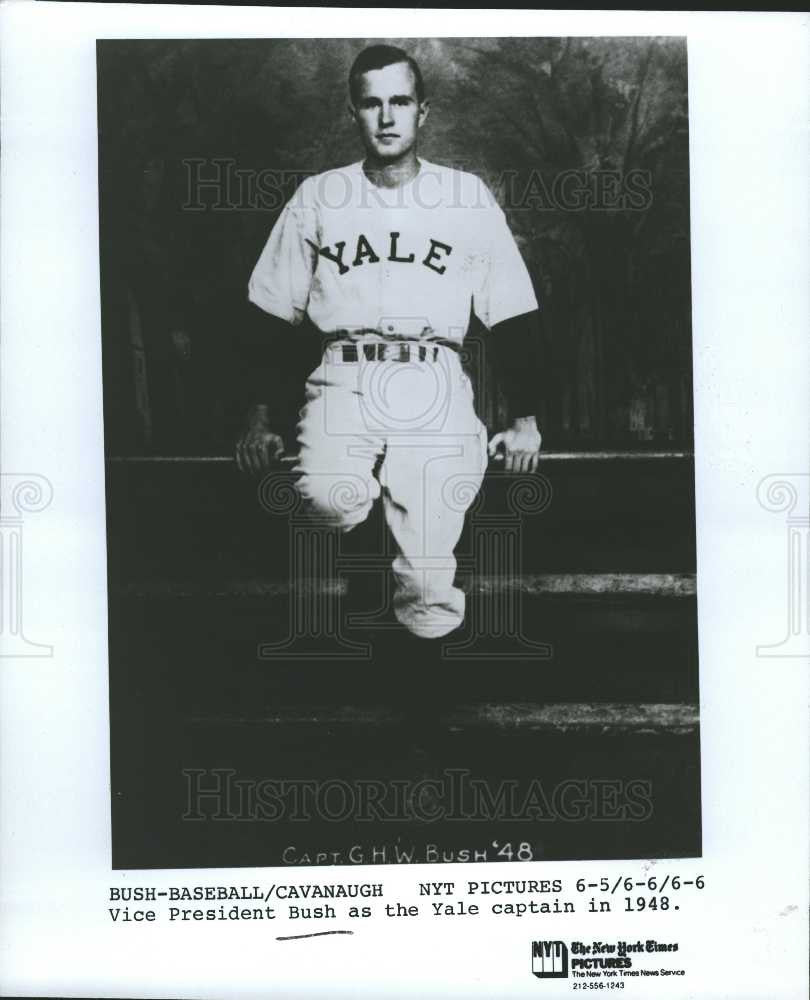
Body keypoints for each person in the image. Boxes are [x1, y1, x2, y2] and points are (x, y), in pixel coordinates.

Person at [237, 44, 542, 639]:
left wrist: (527, 418)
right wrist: (257, 418)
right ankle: (378, 559)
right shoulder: (319, 196)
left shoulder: (464, 196)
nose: (386, 116)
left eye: (399, 101)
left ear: (422, 112)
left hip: (433, 379)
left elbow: (512, 312)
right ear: (352, 112)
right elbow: (269, 316)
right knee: (327, 496)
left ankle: (420, 718)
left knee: (427, 573)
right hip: (343, 377)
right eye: (371, 103)